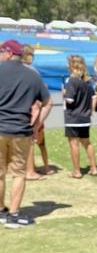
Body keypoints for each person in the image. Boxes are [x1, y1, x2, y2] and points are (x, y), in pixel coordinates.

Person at [0, 40, 52, 228]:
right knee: (18, 173)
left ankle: (1, 211)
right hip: (21, 130)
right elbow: (48, 102)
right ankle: (13, 214)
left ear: (7, 53)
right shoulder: (32, 76)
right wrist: (36, 125)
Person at [63, 55, 97, 178]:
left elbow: (70, 100)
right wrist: (90, 111)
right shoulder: (88, 82)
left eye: (68, 64)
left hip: (73, 117)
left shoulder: (71, 81)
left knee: (74, 144)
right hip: (85, 117)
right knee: (87, 142)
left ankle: (76, 171)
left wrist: (64, 94)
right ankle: (93, 168)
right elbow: (94, 98)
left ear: (72, 66)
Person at [21, 45, 52, 180]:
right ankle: (30, 169)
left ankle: (25, 167)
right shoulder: (32, 71)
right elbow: (42, 95)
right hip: (31, 109)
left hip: (16, 109)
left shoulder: (13, 69)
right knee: (32, 140)